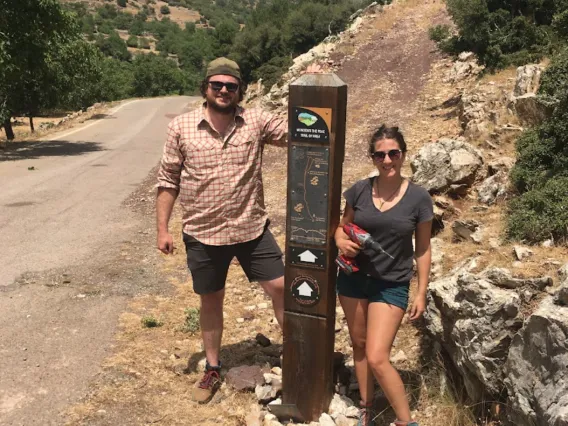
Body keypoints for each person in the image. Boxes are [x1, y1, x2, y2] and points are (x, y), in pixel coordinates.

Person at [156, 57, 321, 403]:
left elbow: (300, 131)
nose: (224, 90)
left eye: (231, 86)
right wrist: (162, 229)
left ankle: (299, 358)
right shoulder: (181, 127)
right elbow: (168, 178)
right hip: (203, 232)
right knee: (211, 298)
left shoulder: (256, 121)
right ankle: (212, 367)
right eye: (217, 84)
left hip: (251, 228)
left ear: (239, 91)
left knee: (280, 286)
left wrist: (309, 90)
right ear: (205, 88)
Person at [334, 125, 433, 426]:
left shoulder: (418, 198)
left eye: (393, 153)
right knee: (359, 344)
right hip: (352, 278)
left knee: (377, 356)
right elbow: (342, 225)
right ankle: (366, 405)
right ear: (372, 158)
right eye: (380, 155)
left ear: (403, 155)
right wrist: (339, 240)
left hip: (391, 283)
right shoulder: (359, 190)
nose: (387, 160)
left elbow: (423, 248)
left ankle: (405, 421)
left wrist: (421, 291)